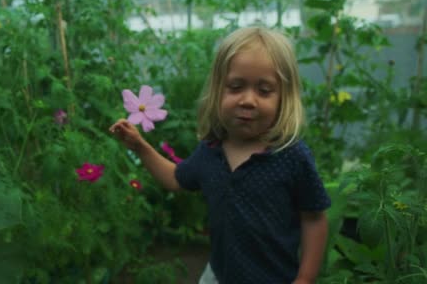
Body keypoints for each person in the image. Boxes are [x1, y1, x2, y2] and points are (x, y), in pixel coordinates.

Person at [109, 26, 331, 284]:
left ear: (284, 98)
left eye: (264, 90)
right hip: (218, 275)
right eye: (236, 87)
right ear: (217, 91)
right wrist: (139, 145)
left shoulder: (291, 156)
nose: (248, 100)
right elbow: (174, 179)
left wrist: (304, 279)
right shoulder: (211, 150)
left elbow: (314, 219)